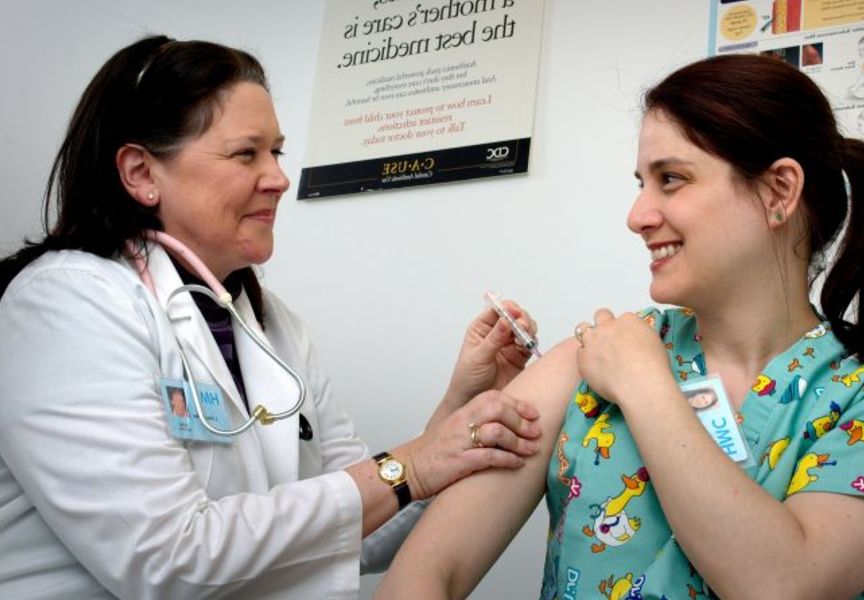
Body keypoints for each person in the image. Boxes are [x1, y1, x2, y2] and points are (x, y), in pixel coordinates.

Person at [376, 53, 864, 599]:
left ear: (779, 192)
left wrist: (644, 385)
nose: (638, 216)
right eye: (642, 184)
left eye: (672, 178)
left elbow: (785, 584)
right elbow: (429, 572)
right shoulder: (594, 357)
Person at [0, 35, 543, 599]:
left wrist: (457, 414)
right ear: (141, 173)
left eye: (276, 152)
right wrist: (415, 463)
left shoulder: (270, 326)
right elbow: (165, 561)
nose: (279, 178)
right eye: (246, 153)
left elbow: (365, 533)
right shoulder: (63, 304)